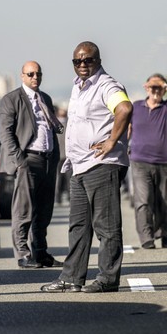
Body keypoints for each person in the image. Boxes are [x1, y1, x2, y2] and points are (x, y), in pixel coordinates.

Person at [41, 41, 133, 294]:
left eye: (88, 60)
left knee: (106, 225)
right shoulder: (78, 87)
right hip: (79, 166)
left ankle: (107, 278)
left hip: (102, 165)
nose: (82, 65)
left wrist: (112, 141)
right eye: (77, 61)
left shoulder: (106, 85)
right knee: (78, 226)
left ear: (98, 61)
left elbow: (125, 108)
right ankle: (71, 277)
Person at [0, 61, 64, 269]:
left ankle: (40, 252)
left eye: (38, 74)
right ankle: (23, 254)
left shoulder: (45, 98)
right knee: (23, 209)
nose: (35, 77)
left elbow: (50, 127)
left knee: (44, 209)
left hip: (48, 159)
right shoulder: (12, 99)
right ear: (22, 76)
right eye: (31, 74)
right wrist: (19, 160)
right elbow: (5, 132)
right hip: (28, 159)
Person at [128, 73, 167, 249]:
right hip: (140, 162)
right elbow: (127, 129)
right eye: (152, 88)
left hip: (163, 162)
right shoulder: (135, 107)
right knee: (144, 200)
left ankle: (165, 234)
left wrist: (164, 83)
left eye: (159, 88)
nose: (156, 91)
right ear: (146, 88)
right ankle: (147, 238)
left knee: (164, 202)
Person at [54, 106, 71, 204]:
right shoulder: (69, 125)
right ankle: (69, 197)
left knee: (58, 178)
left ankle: (57, 198)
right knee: (69, 178)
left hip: (58, 155)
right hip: (67, 155)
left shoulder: (55, 126)